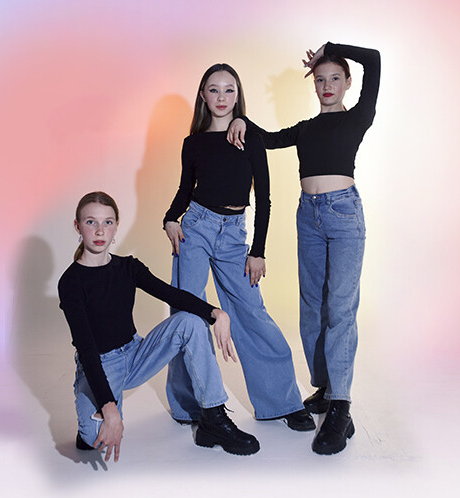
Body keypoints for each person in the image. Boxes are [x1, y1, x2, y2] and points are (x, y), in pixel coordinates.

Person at [227, 42, 381, 455]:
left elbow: (374, 59)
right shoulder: (306, 129)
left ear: (347, 83)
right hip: (307, 216)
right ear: (313, 85)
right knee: (312, 307)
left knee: (341, 308)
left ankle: (341, 406)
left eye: (335, 78)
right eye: (320, 79)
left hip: (344, 215)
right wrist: (241, 119)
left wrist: (329, 49)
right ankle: (327, 389)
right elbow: (267, 139)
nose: (327, 85)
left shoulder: (357, 118)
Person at [163, 64, 314, 432]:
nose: (221, 97)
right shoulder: (193, 143)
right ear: (203, 95)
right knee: (187, 312)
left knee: (252, 312)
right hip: (195, 228)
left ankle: (282, 401)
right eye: (213, 90)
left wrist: (257, 251)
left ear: (237, 95)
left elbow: (264, 198)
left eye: (229, 90)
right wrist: (169, 218)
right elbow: (185, 189)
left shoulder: (250, 138)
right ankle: (190, 406)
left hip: (234, 235)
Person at [58, 191, 260, 461]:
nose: (99, 230)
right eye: (90, 222)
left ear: (116, 226)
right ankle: (94, 413)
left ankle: (213, 417)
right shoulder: (71, 282)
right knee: (94, 440)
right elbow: (86, 348)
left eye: (107, 222)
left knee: (190, 322)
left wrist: (216, 313)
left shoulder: (128, 267)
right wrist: (109, 407)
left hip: (135, 354)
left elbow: (171, 294)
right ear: (77, 226)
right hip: (100, 364)